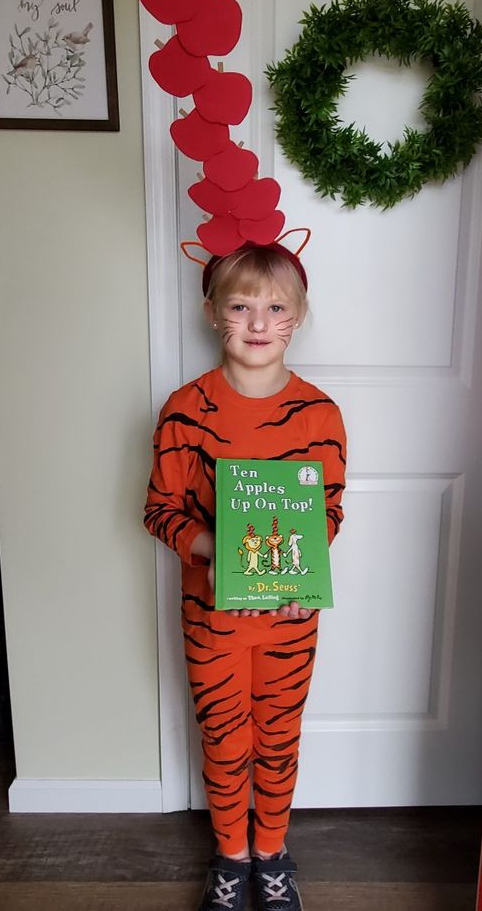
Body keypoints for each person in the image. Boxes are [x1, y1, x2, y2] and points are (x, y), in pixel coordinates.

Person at [144, 242, 346, 911]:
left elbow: (329, 512)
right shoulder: (184, 409)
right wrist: (217, 545)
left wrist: (298, 571)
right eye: (241, 305)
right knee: (225, 740)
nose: (259, 323)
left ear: (299, 316)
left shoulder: (320, 415)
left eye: (276, 307)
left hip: (290, 617)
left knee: (279, 737)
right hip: (213, 617)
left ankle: (272, 854)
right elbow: (159, 509)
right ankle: (231, 858)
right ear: (212, 313)